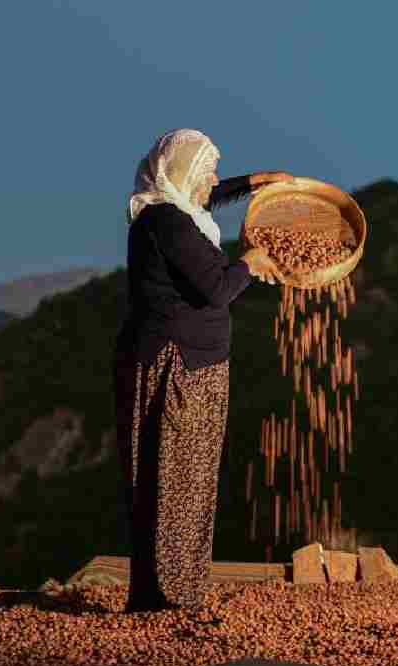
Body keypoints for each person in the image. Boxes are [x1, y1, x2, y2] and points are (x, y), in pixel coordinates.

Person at [115, 128, 291, 611]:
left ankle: (175, 591)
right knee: (174, 481)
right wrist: (250, 264)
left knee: (188, 481)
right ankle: (168, 598)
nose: (214, 179)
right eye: (207, 169)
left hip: (195, 363)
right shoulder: (168, 223)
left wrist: (257, 181)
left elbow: (209, 195)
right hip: (178, 367)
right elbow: (215, 289)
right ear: (184, 175)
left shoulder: (175, 212)